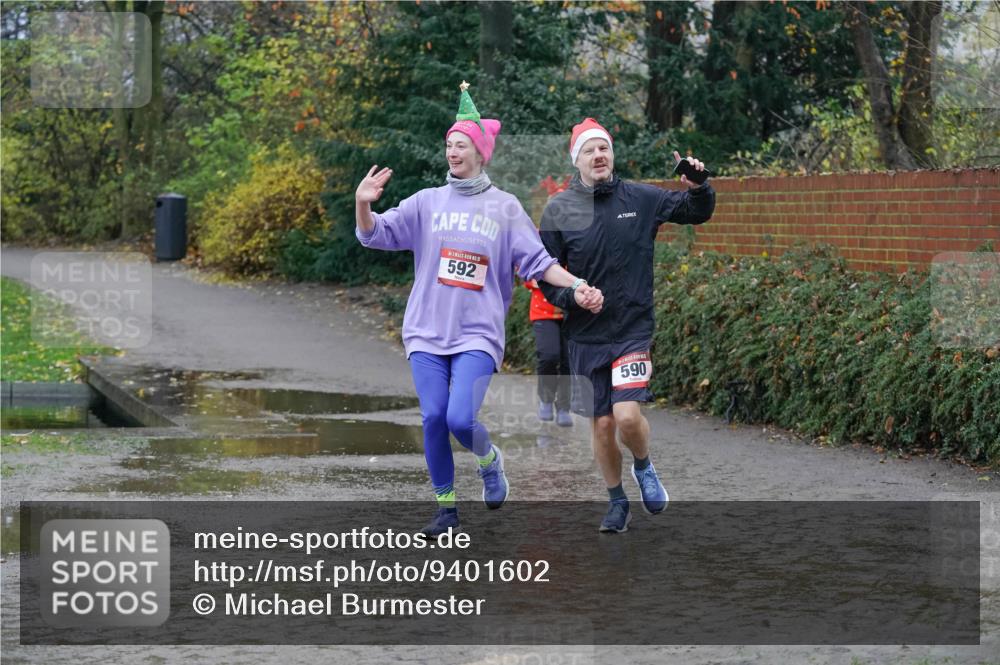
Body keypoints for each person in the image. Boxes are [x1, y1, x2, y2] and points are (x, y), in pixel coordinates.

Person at [354, 84, 603, 538]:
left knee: (458, 419)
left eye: (461, 145)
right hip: (426, 331)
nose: (453, 152)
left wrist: (579, 284)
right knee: (432, 417)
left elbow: (540, 263)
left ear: (480, 153)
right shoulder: (427, 202)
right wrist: (363, 204)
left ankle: (489, 460)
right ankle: (446, 510)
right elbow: (376, 234)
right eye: (449, 144)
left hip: (477, 335)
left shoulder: (504, 208)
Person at [539, 117, 715, 533]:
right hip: (585, 334)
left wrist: (699, 185)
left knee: (627, 417)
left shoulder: (639, 197)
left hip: (632, 329)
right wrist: (571, 295)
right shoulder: (559, 209)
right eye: (589, 150)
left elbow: (695, 211)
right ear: (576, 160)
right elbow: (544, 273)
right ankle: (617, 501)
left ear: (612, 155)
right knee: (602, 424)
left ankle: (645, 466)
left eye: (604, 148)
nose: (598, 156)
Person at [524, 276, 573, 426]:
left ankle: (564, 406)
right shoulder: (539, 251)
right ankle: (546, 399)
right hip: (543, 311)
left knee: (569, 361)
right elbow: (526, 275)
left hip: (572, 311)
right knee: (548, 356)